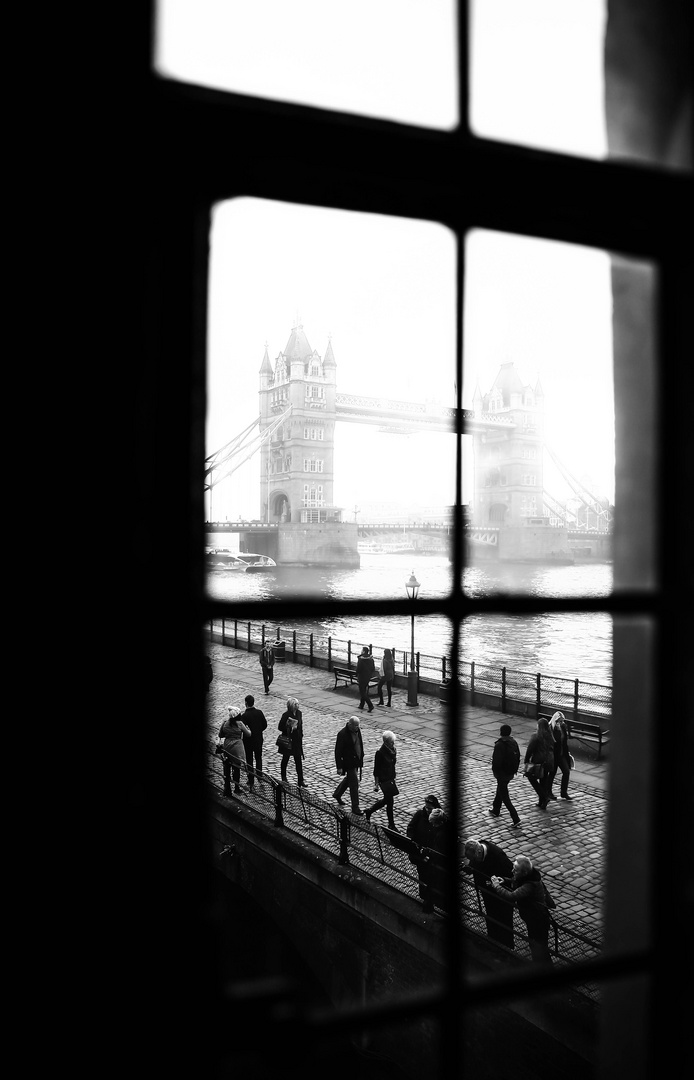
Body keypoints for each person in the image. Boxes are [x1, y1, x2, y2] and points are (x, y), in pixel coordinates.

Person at [490, 855, 554, 964]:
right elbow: (516, 882)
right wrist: (505, 881)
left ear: (524, 873)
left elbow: (512, 896)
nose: (512, 871)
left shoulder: (530, 885)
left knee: (540, 948)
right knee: (535, 945)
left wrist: (497, 886)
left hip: (538, 919)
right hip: (532, 917)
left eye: (515, 870)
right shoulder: (526, 876)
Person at [462, 838, 515, 949]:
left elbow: (510, 877)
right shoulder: (478, 851)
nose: (471, 860)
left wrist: (495, 883)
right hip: (488, 893)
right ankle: (493, 941)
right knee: (491, 916)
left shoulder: (498, 857)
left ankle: (507, 947)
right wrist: (470, 869)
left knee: (504, 921)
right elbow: (475, 864)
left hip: (501, 898)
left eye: (472, 858)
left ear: (479, 852)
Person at [418, 808, 450, 913]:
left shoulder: (441, 834)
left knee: (435, 886)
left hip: (439, 866)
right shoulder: (442, 828)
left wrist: (427, 852)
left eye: (433, 823)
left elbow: (438, 852)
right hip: (436, 865)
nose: (432, 825)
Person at [364, 730, 399, 829]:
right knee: (390, 801)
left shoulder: (393, 750)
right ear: (386, 742)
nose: (393, 744)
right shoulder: (380, 753)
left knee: (386, 800)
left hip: (390, 778)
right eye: (391, 742)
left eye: (393, 742)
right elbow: (376, 770)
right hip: (384, 780)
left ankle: (370, 811)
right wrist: (376, 784)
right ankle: (391, 824)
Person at [490, 723, 521, 826]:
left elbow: (496, 762)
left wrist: (495, 771)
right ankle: (496, 809)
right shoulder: (513, 742)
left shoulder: (499, 745)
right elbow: (518, 757)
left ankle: (515, 817)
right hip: (510, 772)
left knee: (505, 796)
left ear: (500, 732)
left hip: (502, 774)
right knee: (501, 788)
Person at [333, 715, 365, 814]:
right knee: (354, 784)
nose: (357, 727)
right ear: (350, 724)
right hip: (349, 762)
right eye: (355, 726)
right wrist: (339, 767)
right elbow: (338, 752)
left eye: (358, 726)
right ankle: (355, 807)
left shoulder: (357, 730)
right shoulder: (342, 734)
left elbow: (359, 743)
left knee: (349, 779)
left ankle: (337, 794)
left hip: (356, 761)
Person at [217, 705, 252, 797]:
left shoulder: (225, 723)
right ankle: (236, 787)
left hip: (227, 746)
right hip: (237, 747)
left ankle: (227, 786)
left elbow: (220, 735)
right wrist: (248, 729)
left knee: (227, 765)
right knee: (237, 768)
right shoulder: (240, 723)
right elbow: (248, 734)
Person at [523, 716, 555, 810]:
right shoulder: (550, 736)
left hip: (538, 762)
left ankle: (544, 797)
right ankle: (542, 802)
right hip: (548, 761)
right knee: (543, 781)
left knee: (531, 778)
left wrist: (526, 760)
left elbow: (530, 749)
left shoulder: (536, 736)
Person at [277, 697, 306, 787]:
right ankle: (284, 777)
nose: (298, 705)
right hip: (288, 740)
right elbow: (280, 727)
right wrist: (289, 727)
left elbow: (301, 725)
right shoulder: (286, 715)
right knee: (285, 758)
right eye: (296, 704)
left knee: (298, 760)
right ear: (292, 706)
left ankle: (300, 780)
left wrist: (301, 734)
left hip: (296, 740)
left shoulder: (299, 713)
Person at [242, 693, 267, 790]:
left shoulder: (244, 716)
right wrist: (258, 730)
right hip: (258, 739)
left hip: (248, 741)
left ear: (246, 703)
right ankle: (260, 776)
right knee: (258, 757)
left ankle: (251, 779)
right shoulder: (259, 712)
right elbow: (265, 725)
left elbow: (242, 729)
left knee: (249, 760)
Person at [548, 710, 573, 800]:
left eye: (562, 721)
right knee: (552, 774)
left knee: (566, 771)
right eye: (559, 721)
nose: (561, 723)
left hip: (561, 755)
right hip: (554, 755)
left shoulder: (563, 727)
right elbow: (553, 742)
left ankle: (564, 792)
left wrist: (567, 754)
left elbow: (564, 742)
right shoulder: (551, 728)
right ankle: (549, 792)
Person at [356, 646, 375, 713]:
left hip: (361, 677)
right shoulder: (371, 659)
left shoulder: (361, 659)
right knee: (364, 690)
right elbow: (373, 668)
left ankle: (370, 705)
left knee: (362, 692)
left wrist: (357, 674)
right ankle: (361, 705)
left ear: (363, 651)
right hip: (367, 677)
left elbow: (358, 669)